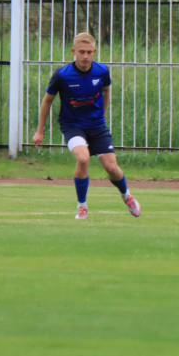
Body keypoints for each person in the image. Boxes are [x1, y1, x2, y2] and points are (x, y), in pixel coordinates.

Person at [32, 32, 141, 220]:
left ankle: (127, 196)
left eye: (89, 52)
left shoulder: (101, 71)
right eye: (81, 52)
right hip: (72, 125)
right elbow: (47, 101)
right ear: (74, 51)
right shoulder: (62, 75)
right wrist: (40, 131)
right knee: (83, 159)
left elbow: (106, 91)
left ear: (94, 52)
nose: (85, 56)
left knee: (111, 168)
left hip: (97, 126)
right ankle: (82, 206)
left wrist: (103, 116)